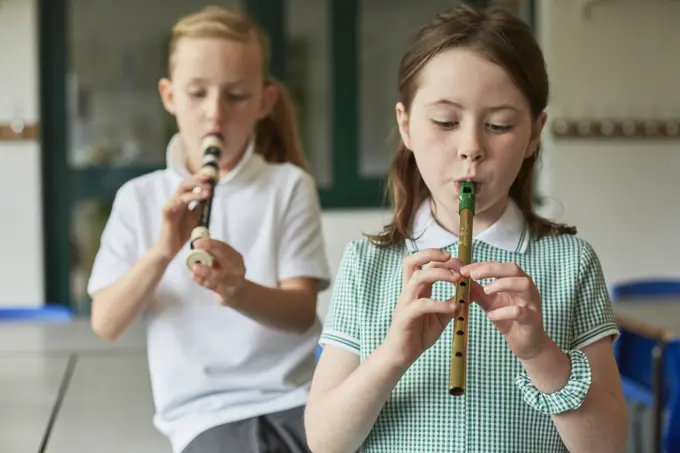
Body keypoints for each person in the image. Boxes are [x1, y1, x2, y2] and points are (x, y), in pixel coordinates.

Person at [305, 5, 627, 453]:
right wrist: (393, 355)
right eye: (445, 122)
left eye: (499, 125)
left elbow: (607, 445)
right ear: (406, 126)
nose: (471, 148)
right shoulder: (368, 263)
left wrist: (540, 354)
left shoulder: (570, 263)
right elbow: (323, 442)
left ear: (535, 134)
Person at [87, 6, 331, 453]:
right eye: (197, 93)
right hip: (206, 412)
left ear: (265, 102)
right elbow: (106, 323)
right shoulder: (138, 198)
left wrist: (238, 290)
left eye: (236, 95)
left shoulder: (288, 186)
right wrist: (163, 250)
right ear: (169, 96)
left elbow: (300, 315)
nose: (214, 115)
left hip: (301, 396)